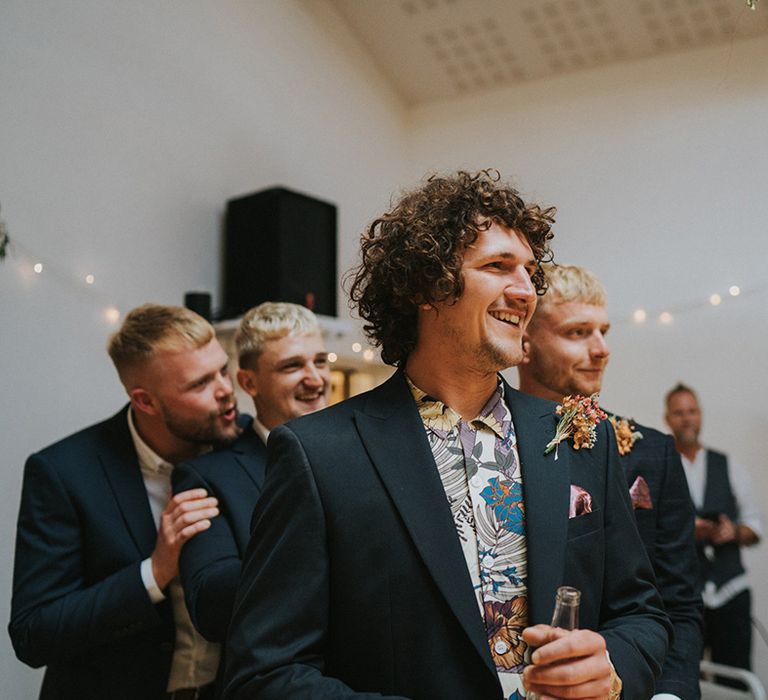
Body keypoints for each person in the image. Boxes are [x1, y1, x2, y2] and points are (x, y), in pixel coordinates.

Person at [222, 171, 670, 700]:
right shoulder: (319, 455)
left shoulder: (576, 435)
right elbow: (264, 675)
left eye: (530, 272)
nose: (526, 291)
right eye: (498, 266)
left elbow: (641, 612)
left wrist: (611, 667)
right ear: (424, 287)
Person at [9, 303, 241, 700]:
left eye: (223, 369)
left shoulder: (251, 447)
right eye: (200, 384)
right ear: (146, 401)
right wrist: (155, 571)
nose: (225, 390)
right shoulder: (63, 473)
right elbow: (34, 634)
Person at [517, 263, 703, 700]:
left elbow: (677, 599)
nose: (601, 349)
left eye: (603, 331)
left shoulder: (652, 452)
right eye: (578, 332)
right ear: (525, 342)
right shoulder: (492, 448)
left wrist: (669, 694)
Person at [172, 301, 331, 642]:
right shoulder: (207, 476)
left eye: (320, 361)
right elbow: (210, 601)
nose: (315, 379)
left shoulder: (359, 447)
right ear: (249, 382)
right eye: (292, 366)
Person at [665, 383, 762, 683]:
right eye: (679, 413)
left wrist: (732, 532)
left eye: (692, 411)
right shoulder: (660, 466)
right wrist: (685, 532)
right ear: (667, 418)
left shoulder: (729, 466)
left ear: (701, 415)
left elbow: (755, 527)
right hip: (681, 594)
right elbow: (646, 530)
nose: (687, 419)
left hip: (730, 592)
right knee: (681, 677)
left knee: (736, 679)